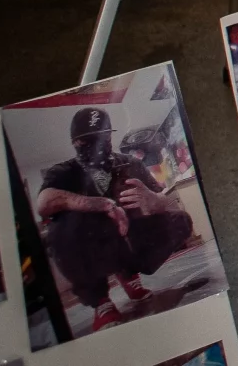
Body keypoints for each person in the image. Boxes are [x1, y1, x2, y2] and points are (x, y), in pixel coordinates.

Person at [32, 105, 193, 327]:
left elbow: (169, 201)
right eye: (86, 140)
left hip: (130, 238)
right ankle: (100, 300)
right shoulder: (63, 172)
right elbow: (44, 203)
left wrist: (156, 201)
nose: (96, 145)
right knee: (60, 226)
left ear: (109, 137)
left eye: (102, 138)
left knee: (180, 220)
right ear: (75, 143)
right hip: (92, 243)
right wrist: (101, 205)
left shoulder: (131, 163)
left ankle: (129, 274)